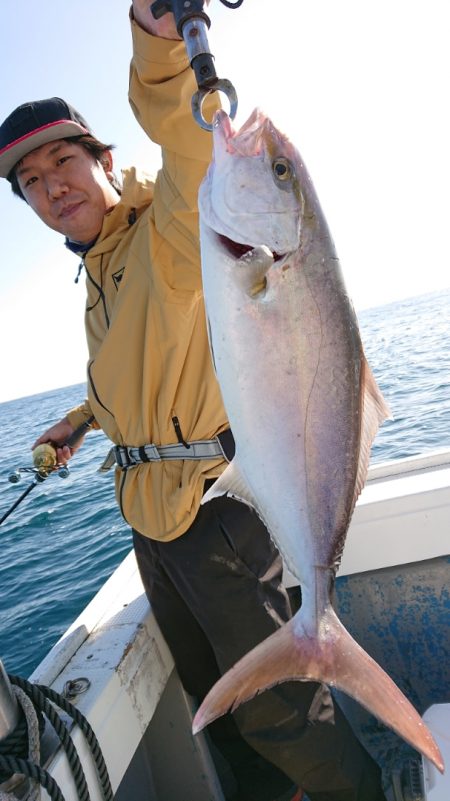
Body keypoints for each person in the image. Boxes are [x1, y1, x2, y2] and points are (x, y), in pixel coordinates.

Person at [0, 4, 388, 800]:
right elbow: (135, 379)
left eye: (64, 162)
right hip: (155, 530)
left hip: (218, 521)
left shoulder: (175, 230)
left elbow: (188, 141)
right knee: (224, 713)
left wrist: (158, 40)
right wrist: (79, 421)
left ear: (106, 160)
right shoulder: (100, 273)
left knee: (286, 719)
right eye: (30, 184)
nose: (51, 188)